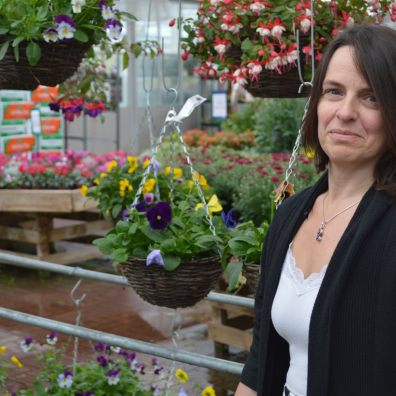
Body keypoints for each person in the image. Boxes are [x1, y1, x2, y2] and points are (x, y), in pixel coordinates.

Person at [235, 23, 396, 396]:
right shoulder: (290, 215)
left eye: (370, 98)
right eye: (333, 92)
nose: (345, 112)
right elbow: (261, 358)